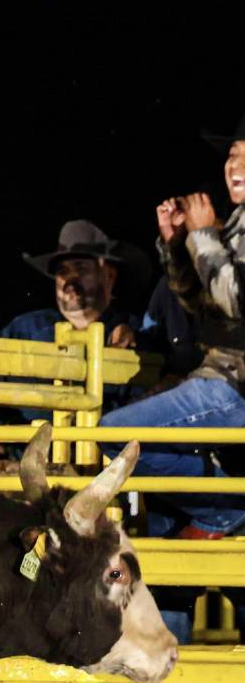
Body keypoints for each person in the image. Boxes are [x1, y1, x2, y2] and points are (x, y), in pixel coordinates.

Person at [98, 112, 245, 540]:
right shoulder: (235, 223)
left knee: (115, 433)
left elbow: (235, 301)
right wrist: (179, 245)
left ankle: (225, 509)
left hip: (235, 387)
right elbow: (200, 305)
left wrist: (201, 236)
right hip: (220, 378)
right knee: (124, 436)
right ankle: (221, 505)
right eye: (233, 155)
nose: (234, 166)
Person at [0, 220, 145, 348]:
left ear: (109, 276)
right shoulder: (26, 330)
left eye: (81, 268)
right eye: (62, 271)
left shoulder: (134, 331)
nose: (70, 279)